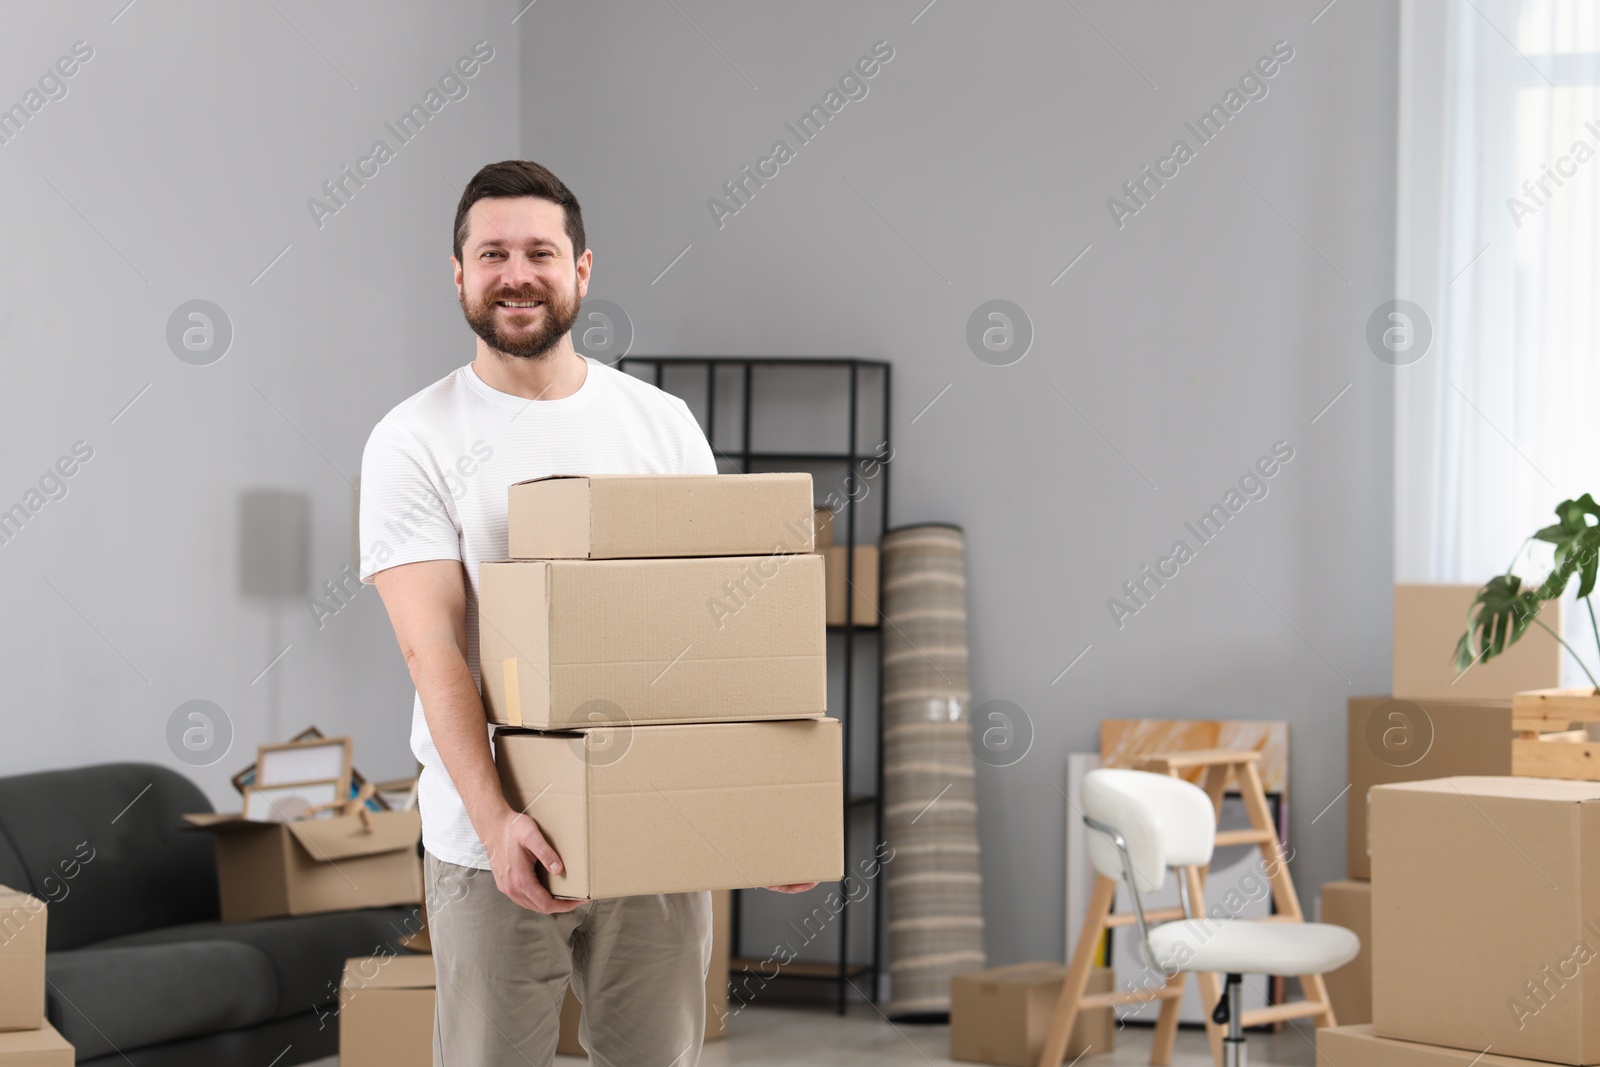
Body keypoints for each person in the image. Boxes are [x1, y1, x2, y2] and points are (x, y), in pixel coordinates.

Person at [358, 160, 815, 1067]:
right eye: (492, 253)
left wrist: (754, 809)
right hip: (493, 831)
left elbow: (716, 628)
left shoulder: (661, 424)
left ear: (582, 270)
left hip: (653, 822)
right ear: (458, 274)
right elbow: (434, 649)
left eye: (539, 251)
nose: (515, 273)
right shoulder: (414, 437)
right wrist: (497, 826)